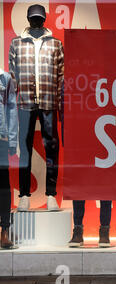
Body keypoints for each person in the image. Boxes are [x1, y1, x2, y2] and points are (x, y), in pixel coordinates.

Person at [9, 4, 64, 211]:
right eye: (33, 19)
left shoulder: (56, 45)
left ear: (44, 19)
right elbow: (13, 77)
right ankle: (24, 194)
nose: (36, 22)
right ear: (28, 19)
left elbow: (61, 76)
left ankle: (51, 194)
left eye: (39, 19)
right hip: (24, 102)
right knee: (25, 149)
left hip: (49, 102)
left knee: (52, 148)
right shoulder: (16, 44)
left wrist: (59, 100)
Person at [0, 69, 17, 249]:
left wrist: (12, 139)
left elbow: (12, 109)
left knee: (3, 186)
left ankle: (4, 229)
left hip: (1, 137)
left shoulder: (4, 78)